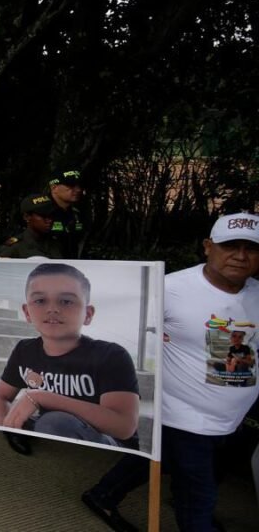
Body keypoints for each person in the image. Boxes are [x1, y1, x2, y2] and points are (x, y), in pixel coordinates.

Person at [83, 213, 259, 532]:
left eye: (252, 248)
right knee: (199, 498)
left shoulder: (256, 294)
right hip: (183, 416)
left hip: (231, 421)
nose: (241, 255)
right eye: (230, 245)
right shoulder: (169, 288)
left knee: (155, 456)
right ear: (208, 247)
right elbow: (112, 327)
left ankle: (102, 494)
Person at [0, 263, 139, 450]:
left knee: (54, 422)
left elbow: (124, 426)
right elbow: (0, 396)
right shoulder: (25, 350)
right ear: (27, 312)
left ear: (88, 314)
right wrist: (3, 429)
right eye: (40, 301)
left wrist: (44, 397)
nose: (52, 309)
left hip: (105, 448)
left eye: (66, 301)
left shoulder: (111, 355)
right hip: (50, 434)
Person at [0, 194, 62, 259]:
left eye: (51, 215)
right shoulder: (14, 247)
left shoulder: (57, 243)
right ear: (27, 217)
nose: (49, 220)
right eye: (43, 215)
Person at [47, 170, 85, 258]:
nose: (78, 190)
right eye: (71, 186)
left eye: (79, 185)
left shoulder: (78, 213)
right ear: (54, 188)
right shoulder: (40, 212)